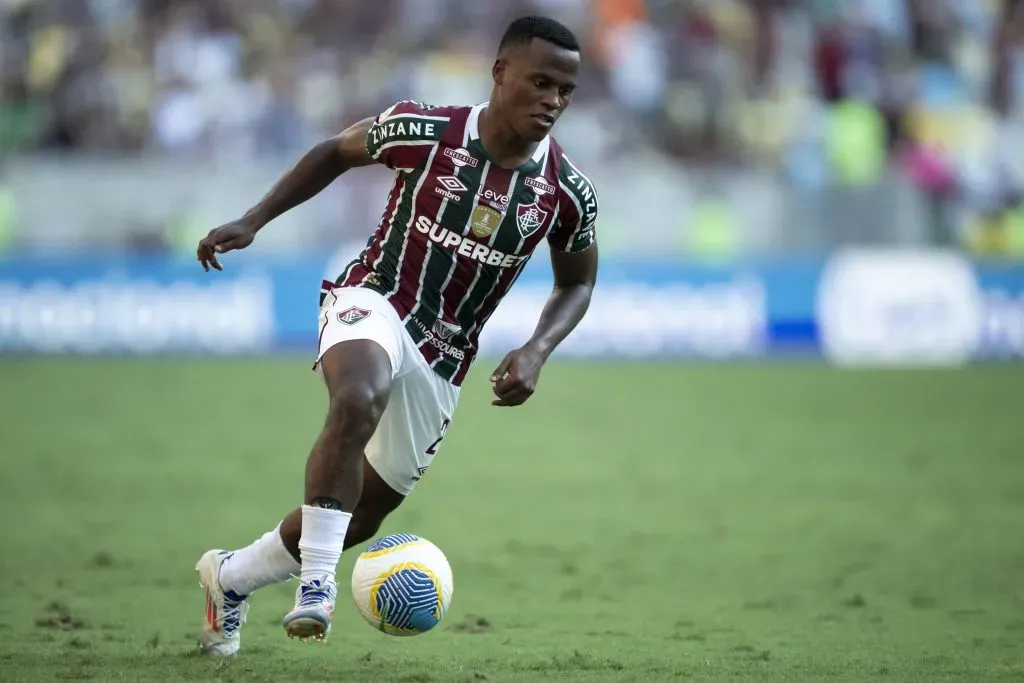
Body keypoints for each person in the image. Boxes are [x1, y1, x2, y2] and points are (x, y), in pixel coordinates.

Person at [193, 15, 599, 656]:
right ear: (500, 73)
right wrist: (254, 220)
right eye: (540, 82)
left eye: (565, 91)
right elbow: (334, 151)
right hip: (374, 297)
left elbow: (575, 282)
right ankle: (318, 589)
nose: (552, 101)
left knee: (362, 515)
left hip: (447, 356)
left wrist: (535, 349)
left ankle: (230, 578)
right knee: (357, 396)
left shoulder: (565, 193)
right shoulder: (425, 129)